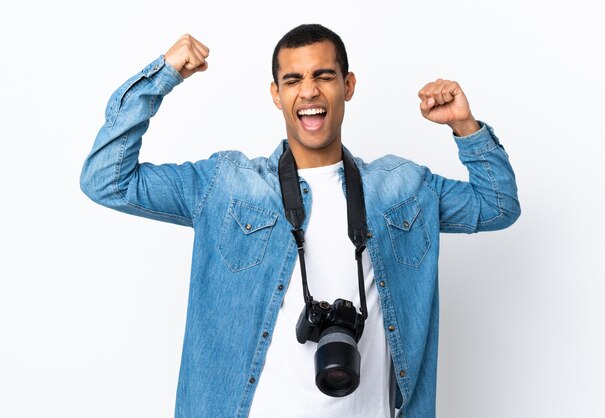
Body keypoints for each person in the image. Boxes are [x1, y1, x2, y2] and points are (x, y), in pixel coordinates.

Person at [80, 24, 520, 418]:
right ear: (276, 94)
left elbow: (497, 205)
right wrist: (164, 74)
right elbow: (106, 181)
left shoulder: (401, 188)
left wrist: (464, 125)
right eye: (293, 79)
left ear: (348, 85)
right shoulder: (226, 186)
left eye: (323, 76)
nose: (308, 91)